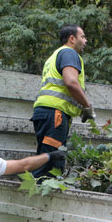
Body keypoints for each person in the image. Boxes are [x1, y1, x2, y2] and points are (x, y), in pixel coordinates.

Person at [31, 24, 95, 179]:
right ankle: (40, 200)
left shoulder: (54, 56)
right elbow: (71, 82)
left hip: (46, 113)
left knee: (46, 157)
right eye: (82, 37)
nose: (85, 41)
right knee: (51, 163)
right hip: (55, 114)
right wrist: (87, 106)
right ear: (72, 39)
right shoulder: (69, 53)